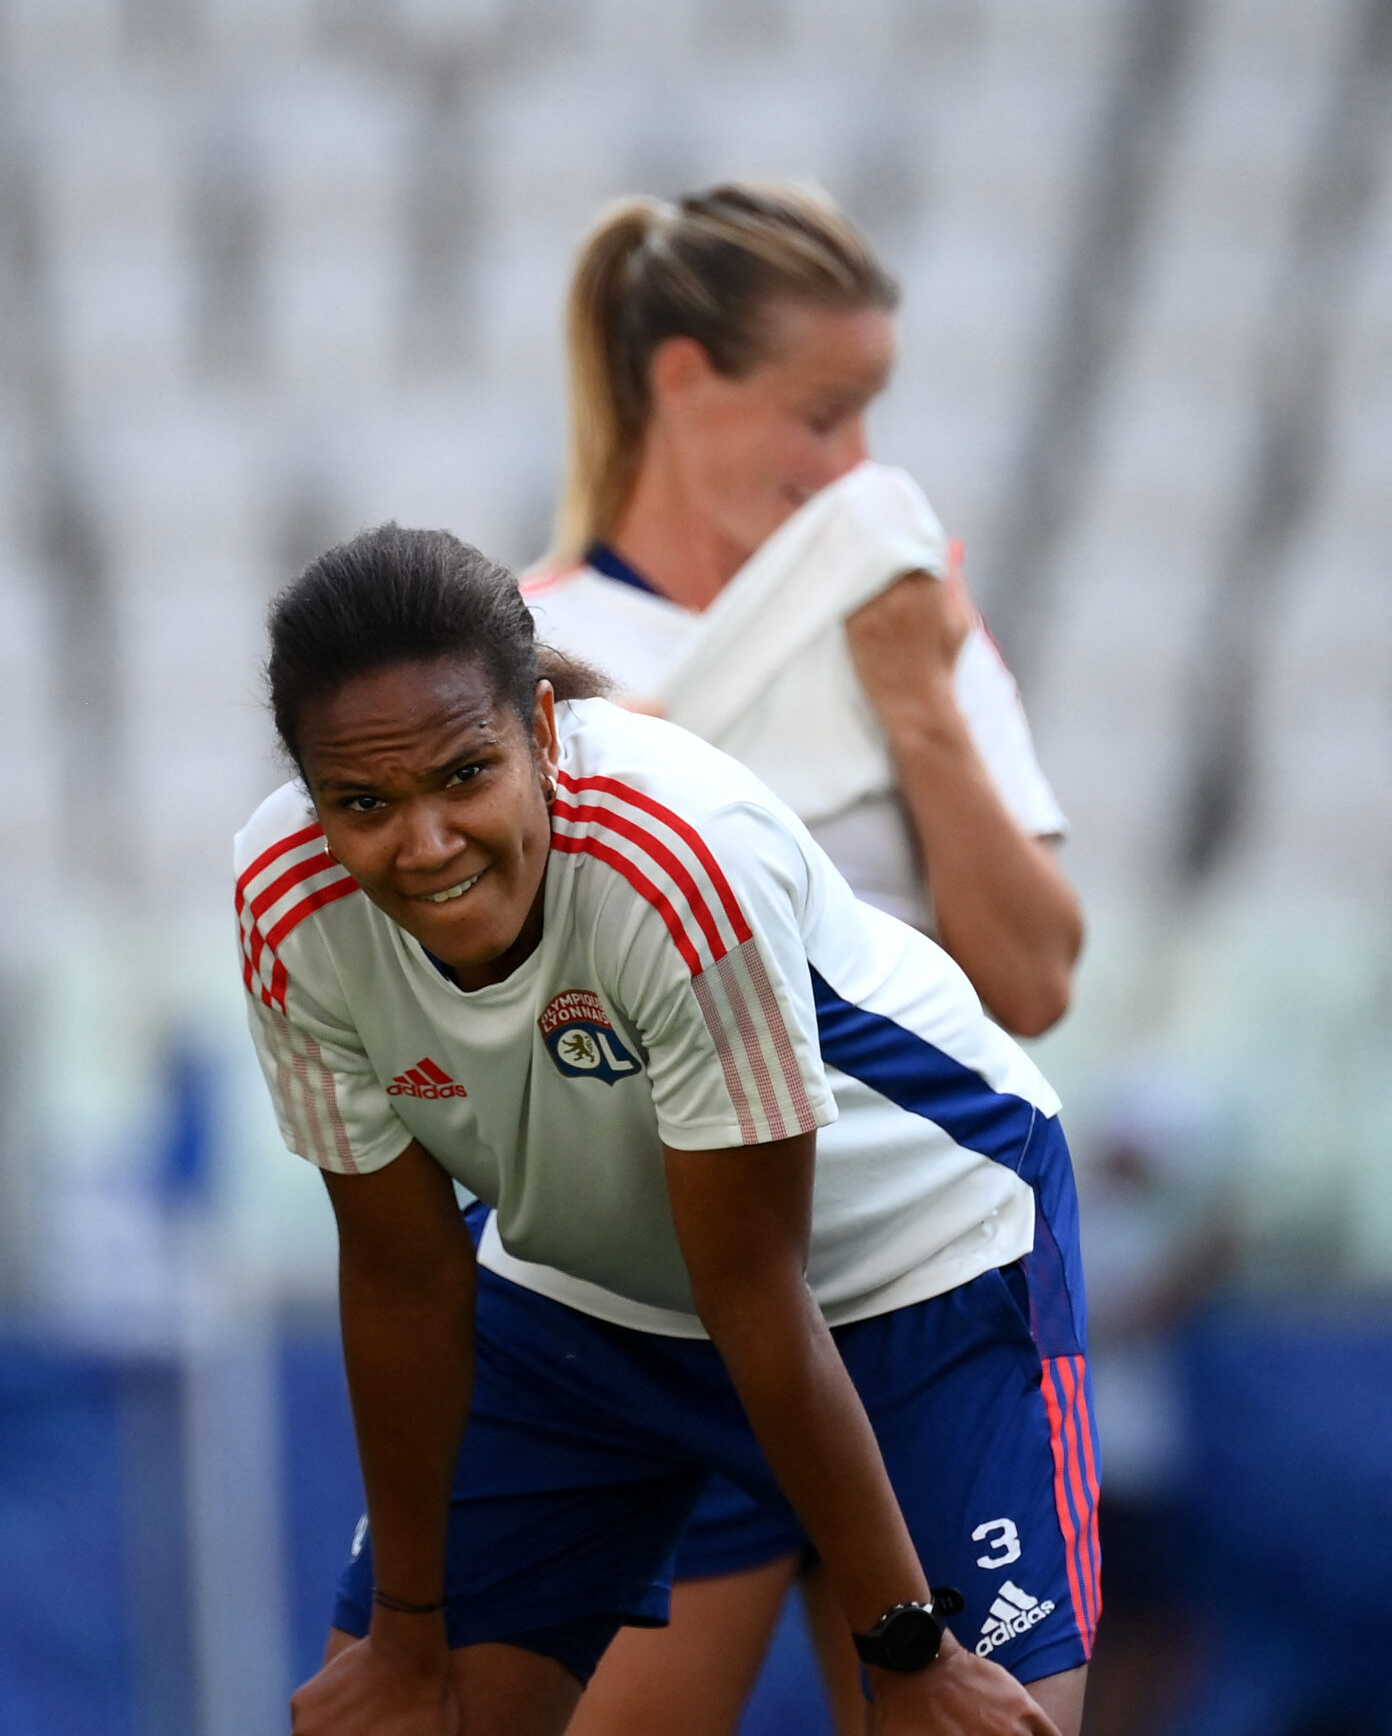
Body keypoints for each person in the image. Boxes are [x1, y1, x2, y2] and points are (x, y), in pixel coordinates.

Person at [241, 526, 1093, 1736]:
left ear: (541, 731)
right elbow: (401, 1275)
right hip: (586, 1287)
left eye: (464, 777)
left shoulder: (676, 859)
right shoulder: (285, 898)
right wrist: (405, 1634)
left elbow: (751, 1285)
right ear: (310, 794)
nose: (424, 844)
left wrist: (907, 1652)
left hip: (914, 1265)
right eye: (363, 802)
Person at [518, 183, 1086, 1733]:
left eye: (870, 420)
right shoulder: (516, 664)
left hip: (922, 1274)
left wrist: (916, 704)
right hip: (665, 1298)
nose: (856, 472)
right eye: (823, 416)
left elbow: (1030, 983)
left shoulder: (908, 623)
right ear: (683, 379)